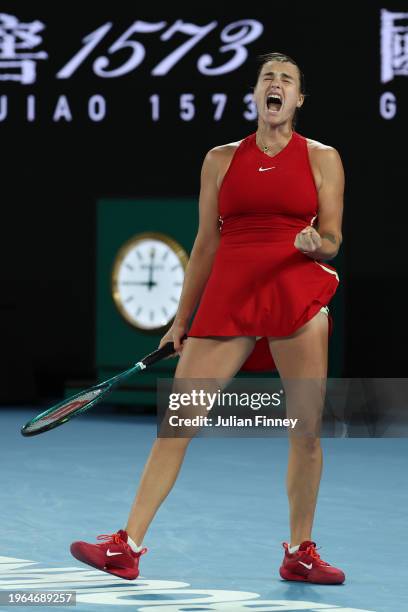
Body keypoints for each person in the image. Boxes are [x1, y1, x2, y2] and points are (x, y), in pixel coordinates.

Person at [70, 52, 345, 585]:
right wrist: (181, 319)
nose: (276, 85)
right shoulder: (220, 159)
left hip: (295, 289)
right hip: (230, 293)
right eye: (268, 77)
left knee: (306, 432)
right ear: (256, 94)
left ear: (299, 99)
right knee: (177, 426)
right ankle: (126, 547)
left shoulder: (322, 158)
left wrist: (318, 244)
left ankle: (300, 552)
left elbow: (332, 238)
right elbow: (204, 244)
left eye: (287, 79)